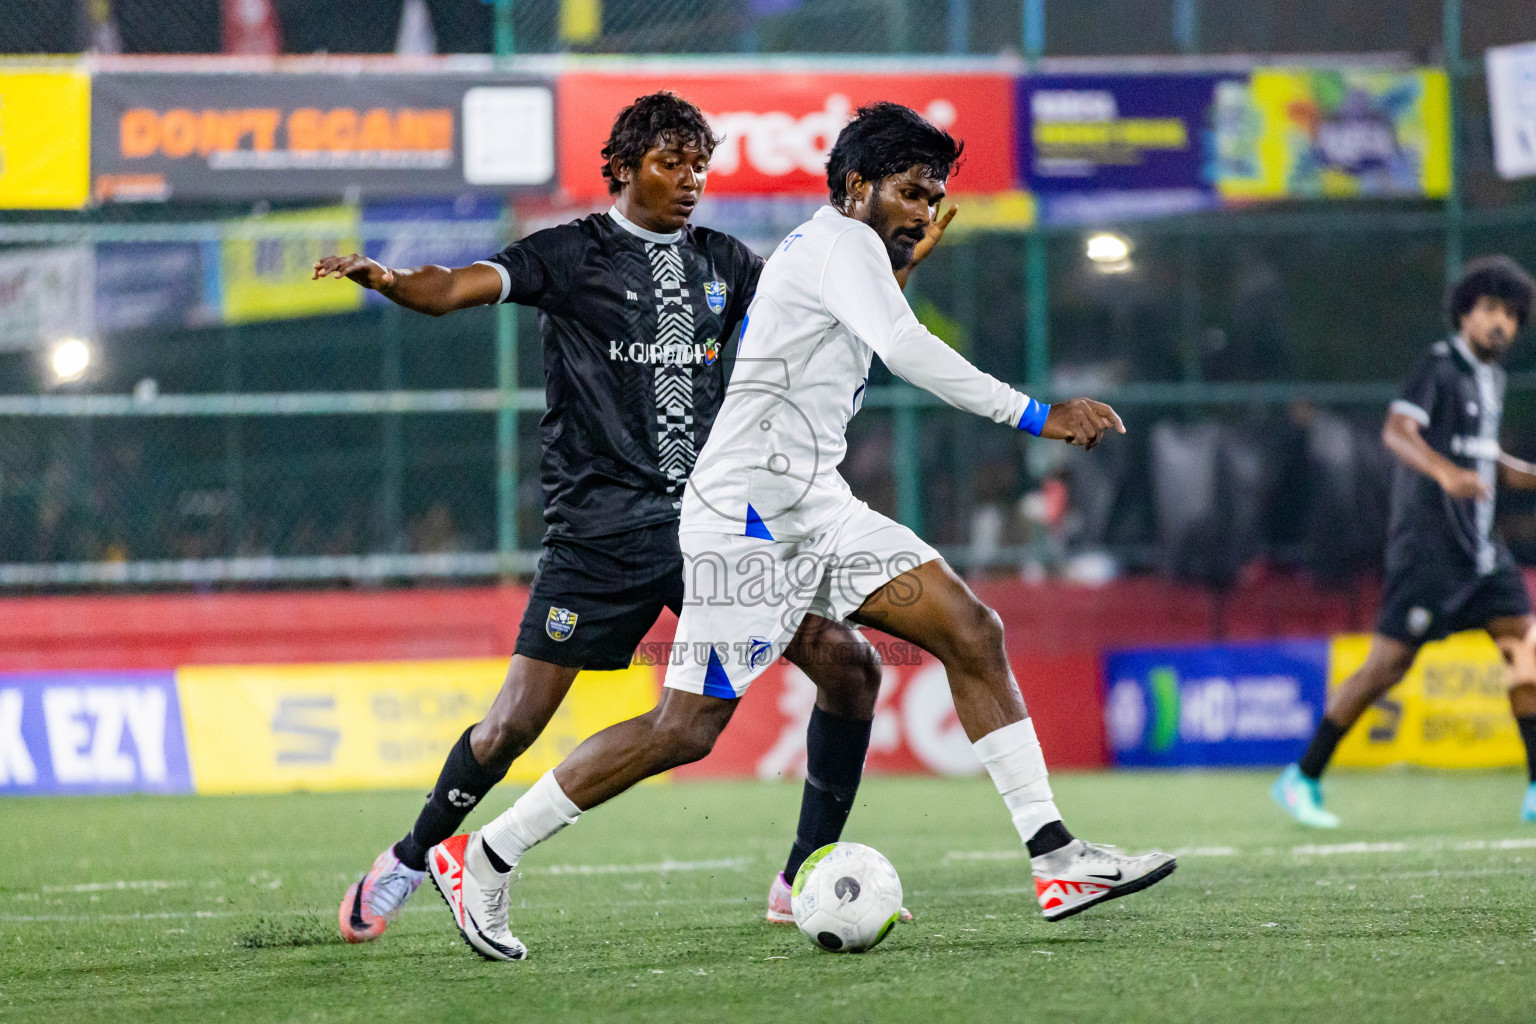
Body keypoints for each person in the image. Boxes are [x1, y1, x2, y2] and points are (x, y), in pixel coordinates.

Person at [427, 102, 1176, 962]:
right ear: (857, 187)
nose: (923, 212)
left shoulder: (840, 250)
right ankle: (481, 853)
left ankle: (1056, 856)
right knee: (685, 728)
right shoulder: (841, 243)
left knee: (970, 628)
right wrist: (1040, 414)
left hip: (811, 505)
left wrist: (898, 276)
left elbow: (850, 332)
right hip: (745, 516)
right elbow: (903, 348)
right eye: (909, 192)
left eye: (932, 198)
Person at [312, 92, 946, 943]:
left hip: (713, 527)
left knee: (851, 667)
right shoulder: (569, 256)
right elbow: (460, 285)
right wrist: (391, 281)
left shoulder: (728, 264)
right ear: (620, 169)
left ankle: (802, 879)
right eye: (668, 164)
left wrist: (896, 269)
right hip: (600, 535)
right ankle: (415, 853)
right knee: (511, 728)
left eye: (698, 167)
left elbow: (830, 324)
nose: (688, 183)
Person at [1274, 255, 1536, 828]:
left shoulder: (1491, 377)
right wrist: (1445, 475)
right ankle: (1303, 776)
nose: (1500, 323)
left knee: (1525, 647)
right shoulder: (1438, 367)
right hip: (1429, 553)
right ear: (1465, 314)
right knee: (1385, 669)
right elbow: (1397, 431)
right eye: (1490, 309)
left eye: (1511, 314)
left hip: (1483, 552)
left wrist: (1513, 471)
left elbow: (1478, 452)